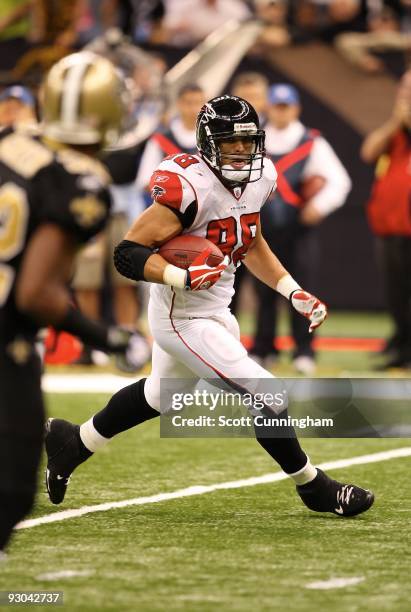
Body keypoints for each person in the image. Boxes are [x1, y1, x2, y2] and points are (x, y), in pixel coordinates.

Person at [45, 94, 374, 519]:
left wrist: (292, 290)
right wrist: (180, 275)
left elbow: (249, 239)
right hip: (181, 315)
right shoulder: (190, 186)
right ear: (207, 141)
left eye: (246, 141)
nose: (239, 150)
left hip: (217, 307)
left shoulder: (262, 177)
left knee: (161, 394)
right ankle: (315, 487)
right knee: (267, 393)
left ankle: (73, 443)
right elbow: (127, 252)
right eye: (228, 140)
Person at [0, 50, 143, 555]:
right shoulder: (81, 179)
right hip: (6, 346)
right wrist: (108, 336)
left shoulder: (10, 141)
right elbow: (36, 293)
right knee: (11, 491)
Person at [250, 83, 351, 374]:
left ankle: (304, 350)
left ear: (296, 109)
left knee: (302, 289)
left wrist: (319, 206)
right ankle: (263, 348)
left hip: (298, 229)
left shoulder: (312, 141)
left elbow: (340, 181)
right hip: (263, 228)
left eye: (287, 106)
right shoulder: (257, 141)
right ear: (269, 106)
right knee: (264, 290)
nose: (281, 112)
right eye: (277, 106)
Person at [361, 69, 411, 368]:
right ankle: (401, 343)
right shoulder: (395, 134)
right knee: (396, 292)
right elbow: (368, 152)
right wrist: (396, 121)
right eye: (404, 88)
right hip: (390, 228)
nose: (406, 94)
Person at [136, 83, 206, 199]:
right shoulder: (160, 140)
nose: (194, 109)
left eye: (199, 103)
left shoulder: (212, 139)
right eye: (189, 103)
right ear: (179, 104)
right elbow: (146, 181)